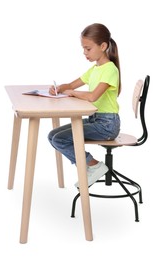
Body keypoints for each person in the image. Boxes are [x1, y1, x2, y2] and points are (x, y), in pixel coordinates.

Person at [47, 23, 121, 188]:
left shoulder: (110, 70)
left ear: (103, 46)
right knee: (53, 136)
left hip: (107, 125)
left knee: (60, 139)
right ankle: (91, 166)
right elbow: (72, 85)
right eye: (83, 48)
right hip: (95, 120)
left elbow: (93, 96)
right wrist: (59, 88)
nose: (84, 53)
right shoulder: (95, 69)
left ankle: (94, 165)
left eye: (88, 49)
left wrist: (72, 93)